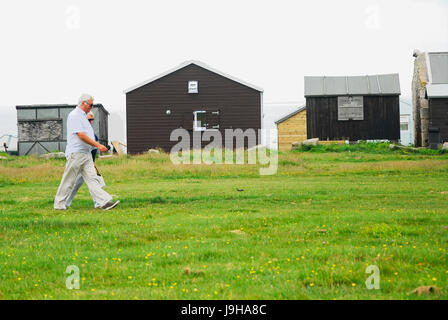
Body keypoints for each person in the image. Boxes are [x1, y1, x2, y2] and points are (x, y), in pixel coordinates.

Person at [54, 94, 119, 210]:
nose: (92, 107)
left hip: (86, 154)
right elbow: (81, 135)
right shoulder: (75, 115)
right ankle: (59, 205)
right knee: (69, 180)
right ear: (83, 103)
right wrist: (98, 145)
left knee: (93, 179)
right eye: (90, 104)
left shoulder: (83, 116)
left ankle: (103, 202)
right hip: (76, 153)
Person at [65, 111, 103, 208]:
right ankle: (64, 202)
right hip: (78, 160)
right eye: (88, 120)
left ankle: (98, 202)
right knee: (76, 183)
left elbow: (93, 151)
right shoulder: (80, 132)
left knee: (90, 182)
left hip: (87, 162)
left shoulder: (92, 135)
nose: (90, 122)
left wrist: (93, 163)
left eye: (92, 120)